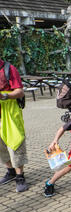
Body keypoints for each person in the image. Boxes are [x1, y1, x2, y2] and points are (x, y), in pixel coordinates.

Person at [0, 59, 28, 192]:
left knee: (16, 143)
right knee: (1, 146)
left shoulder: (9, 69)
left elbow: (20, 92)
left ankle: (20, 176)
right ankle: (10, 172)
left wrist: (4, 96)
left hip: (10, 112)